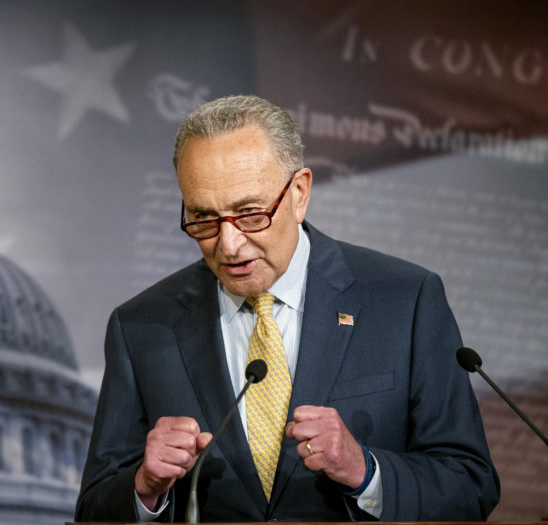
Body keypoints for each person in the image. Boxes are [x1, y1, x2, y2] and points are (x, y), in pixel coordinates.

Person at [75, 95, 499, 522]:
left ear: (299, 193)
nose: (229, 244)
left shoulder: (405, 301)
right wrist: (145, 488)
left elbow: (470, 484)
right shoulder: (143, 327)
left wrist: (365, 472)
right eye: (203, 219)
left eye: (250, 214)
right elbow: (94, 510)